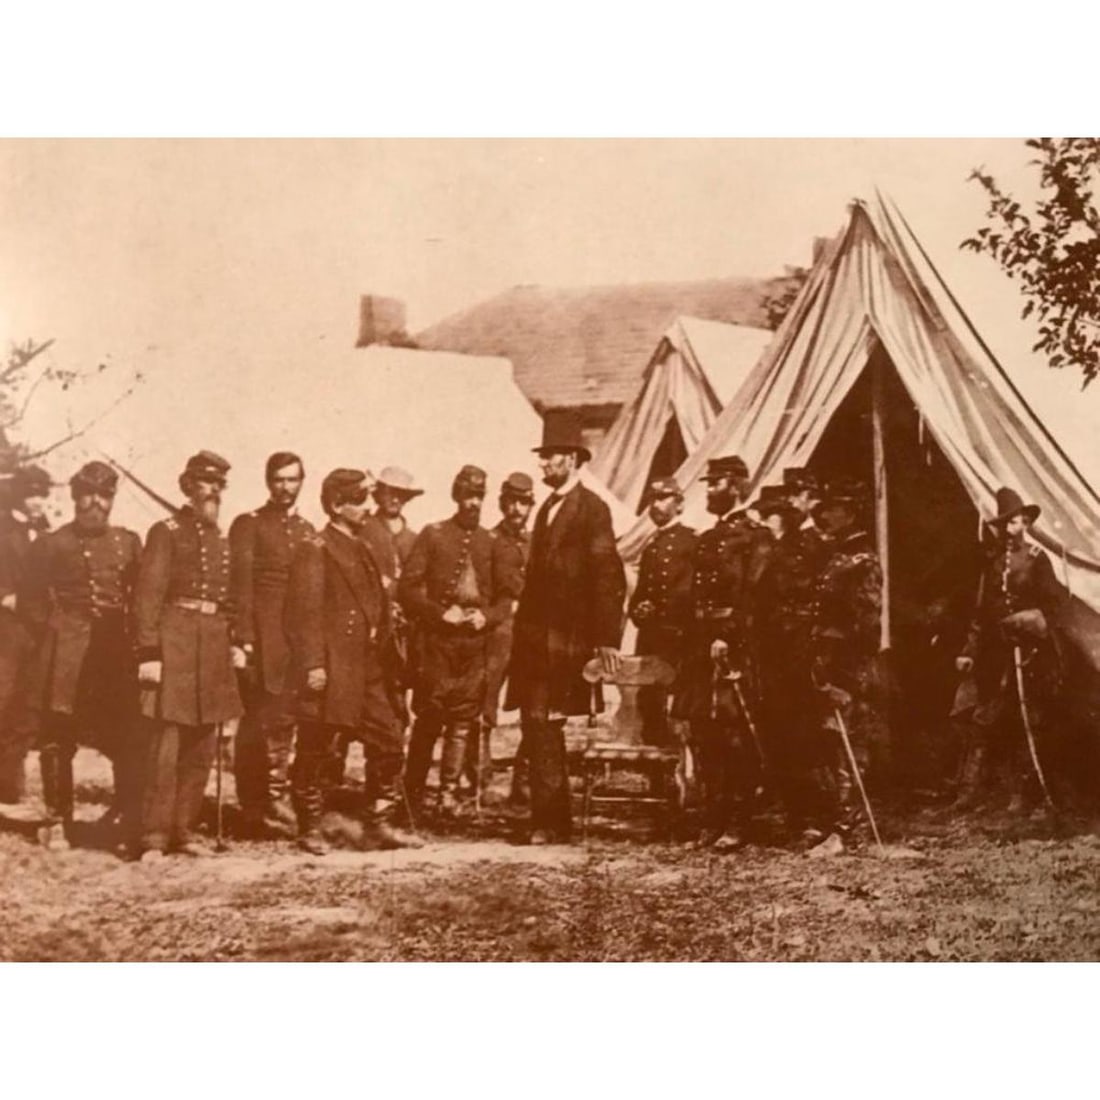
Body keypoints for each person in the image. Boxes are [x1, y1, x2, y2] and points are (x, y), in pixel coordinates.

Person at [509, 416, 626, 844]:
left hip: (566, 643)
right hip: (536, 643)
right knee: (536, 725)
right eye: (542, 458)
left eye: (551, 458)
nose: (543, 466)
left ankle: (550, 821)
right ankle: (548, 819)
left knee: (546, 724)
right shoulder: (545, 509)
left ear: (573, 460)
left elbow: (608, 576)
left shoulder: (591, 509)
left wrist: (607, 638)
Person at [284, 468, 414, 854]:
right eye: (358, 500)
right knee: (317, 747)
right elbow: (302, 614)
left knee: (389, 739)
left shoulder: (363, 545)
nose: (367, 507)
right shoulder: (316, 547)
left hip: (370, 667)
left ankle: (378, 823)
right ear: (337, 505)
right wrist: (313, 665)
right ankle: (310, 827)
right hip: (334, 667)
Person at [23, 462, 142, 847]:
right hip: (67, 654)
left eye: (104, 495)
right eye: (88, 495)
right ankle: (58, 818)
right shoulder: (52, 544)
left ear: (112, 499)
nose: (96, 503)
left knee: (125, 735)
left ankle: (124, 811)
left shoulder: (128, 542)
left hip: (113, 654)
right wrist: (55, 639)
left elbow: (141, 598)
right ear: (75, 498)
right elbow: (32, 602)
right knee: (59, 738)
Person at [134, 451, 245, 860]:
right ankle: (154, 838)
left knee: (202, 745)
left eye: (219, 484)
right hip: (175, 644)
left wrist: (234, 641)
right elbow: (148, 596)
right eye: (205, 482)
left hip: (213, 646)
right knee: (165, 746)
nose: (214, 490)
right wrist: (149, 652)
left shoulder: (222, 538)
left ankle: (183, 831)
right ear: (187, 486)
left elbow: (229, 599)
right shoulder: (165, 531)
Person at [399, 465, 512, 817]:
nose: (472, 503)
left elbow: (508, 598)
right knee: (430, 720)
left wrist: (487, 617)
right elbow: (408, 588)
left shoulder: (492, 543)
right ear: (455, 496)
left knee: (462, 724)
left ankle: (448, 796)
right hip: (437, 645)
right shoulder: (433, 535)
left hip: (474, 647)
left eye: (478, 496)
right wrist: (438, 613)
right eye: (467, 495)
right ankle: (412, 793)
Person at [676, 455, 773, 851]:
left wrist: (728, 637)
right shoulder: (708, 537)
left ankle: (738, 821)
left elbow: (756, 597)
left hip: (737, 650)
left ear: (735, 485)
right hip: (702, 647)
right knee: (705, 734)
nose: (709, 491)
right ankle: (711, 820)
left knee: (736, 736)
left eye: (715, 484)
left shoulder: (756, 537)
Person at [951, 486, 1066, 812]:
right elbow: (980, 612)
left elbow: (1052, 607)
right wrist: (969, 650)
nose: (1011, 530)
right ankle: (972, 792)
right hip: (995, 653)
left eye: (1017, 523)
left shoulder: (1037, 560)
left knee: (1029, 718)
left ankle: (1028, 793)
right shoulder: (991, 563)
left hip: (1029, 654)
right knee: (984, 718)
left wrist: (1030, 620)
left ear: (1027, 524)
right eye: (1006, 524)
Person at [228, 451, 316, 837]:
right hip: (261, 636)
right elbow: (241, 585)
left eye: (292, 480)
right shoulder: (249, 524)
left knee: (286, 719)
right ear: (268, 482)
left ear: (301, 483)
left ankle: (276, 795)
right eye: (279, 480)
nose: (285, 487)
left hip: (295, 638)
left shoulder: (308, 530)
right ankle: (253, 804)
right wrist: (243, 639)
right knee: (255, 722)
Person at [805, 478, 885, 852]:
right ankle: (838, 822)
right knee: (832, 742)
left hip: (850, 665)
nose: (824, 515)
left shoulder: (862, 560)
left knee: (851, 743)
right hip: (829, 660)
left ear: (850, 514)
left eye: (832, 509)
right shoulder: (835, 557)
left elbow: (868, 621)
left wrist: (844, 666)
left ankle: (851, 828)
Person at [753, 482, 829, 839]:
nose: (763, 522)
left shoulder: (806, 549)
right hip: (770, 653)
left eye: (768, 516)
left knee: (803, 735)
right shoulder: (766, 551)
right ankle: (793, 814)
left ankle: (814, 817)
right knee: (777, 733)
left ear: (780, 518)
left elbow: (814, 600)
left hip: (798, 652)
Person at [471, 471, 534, 804]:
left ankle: (523, 781)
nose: (516, 510)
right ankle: (478, 778)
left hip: (530, 635)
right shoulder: (487, 540)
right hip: (497, 633)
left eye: (523, 503)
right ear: (501, 503)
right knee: (485, 706)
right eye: (511, 502)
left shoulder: (536, 540)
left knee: (532, 707)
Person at [627, 477, 695, 746]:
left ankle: (680, 771)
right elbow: (641, 593)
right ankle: (656, 771)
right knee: (650, 703)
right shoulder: (651, 547)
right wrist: (638, 609)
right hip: (651, 638)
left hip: (678, 638)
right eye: (652, 500)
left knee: (679, 704)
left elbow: (692, 592)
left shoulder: (692, 542)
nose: (656, 505)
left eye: (663, 498)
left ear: (679, 504)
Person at [0, 464, 52, 807]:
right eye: (31, 493)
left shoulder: (45, 532)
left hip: (37, 630)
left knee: (27, 709)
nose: (37, 501)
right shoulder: (3, 528)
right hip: (6, 628)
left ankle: (9, 789)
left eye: (41, 494)